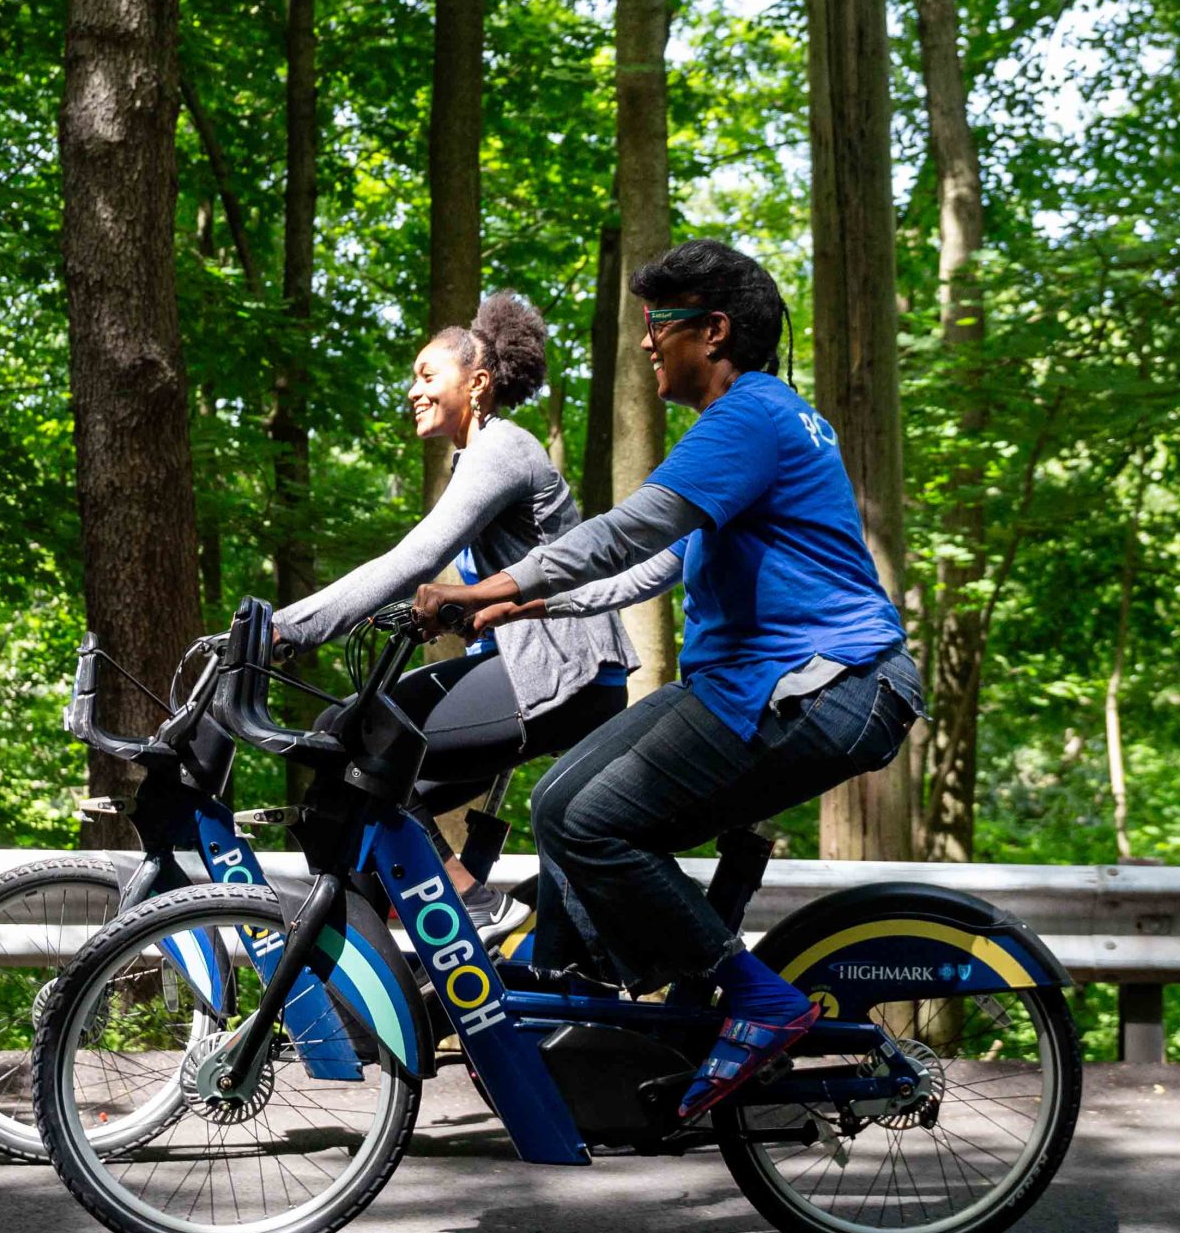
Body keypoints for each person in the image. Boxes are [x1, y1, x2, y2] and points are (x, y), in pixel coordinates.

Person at [413, 240, 923, 1118]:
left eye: (659, 324)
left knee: (593, 819)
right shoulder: (754, 425)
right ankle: (598, 1011)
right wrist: (526, 606)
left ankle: (756, 999)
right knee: (560, 802)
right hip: (766, 685)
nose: (646, 342)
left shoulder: (750, 419)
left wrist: (487, 586)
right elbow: (650, 568)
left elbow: (628, 531)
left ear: (713, 331)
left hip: (824, 685)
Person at [274, 291, 633, 918]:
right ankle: (392, 948)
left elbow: (413, 560)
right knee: (354, 798)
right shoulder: (479, 458)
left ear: (477, 383)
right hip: (539, 672)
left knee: (354, 734)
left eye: (427, 375)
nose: (413, 391)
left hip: (562, 673)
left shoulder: (503, 449)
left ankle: (468, 899)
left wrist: (285, 629)